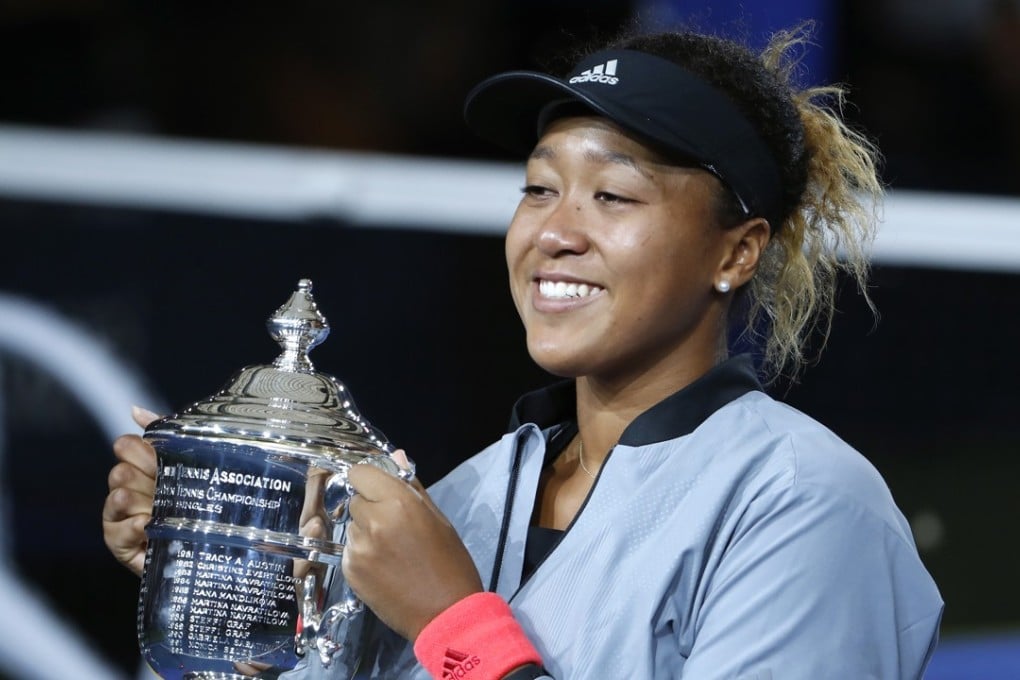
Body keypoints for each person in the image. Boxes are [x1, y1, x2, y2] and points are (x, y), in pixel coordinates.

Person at [104, 23, 944, 679]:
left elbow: (455, 635)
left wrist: (452, 624)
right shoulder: (470, 495)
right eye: (538, 189)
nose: (554, 233)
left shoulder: (805, 504)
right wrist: (218, 581)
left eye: (612, 195)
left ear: (735, 252)